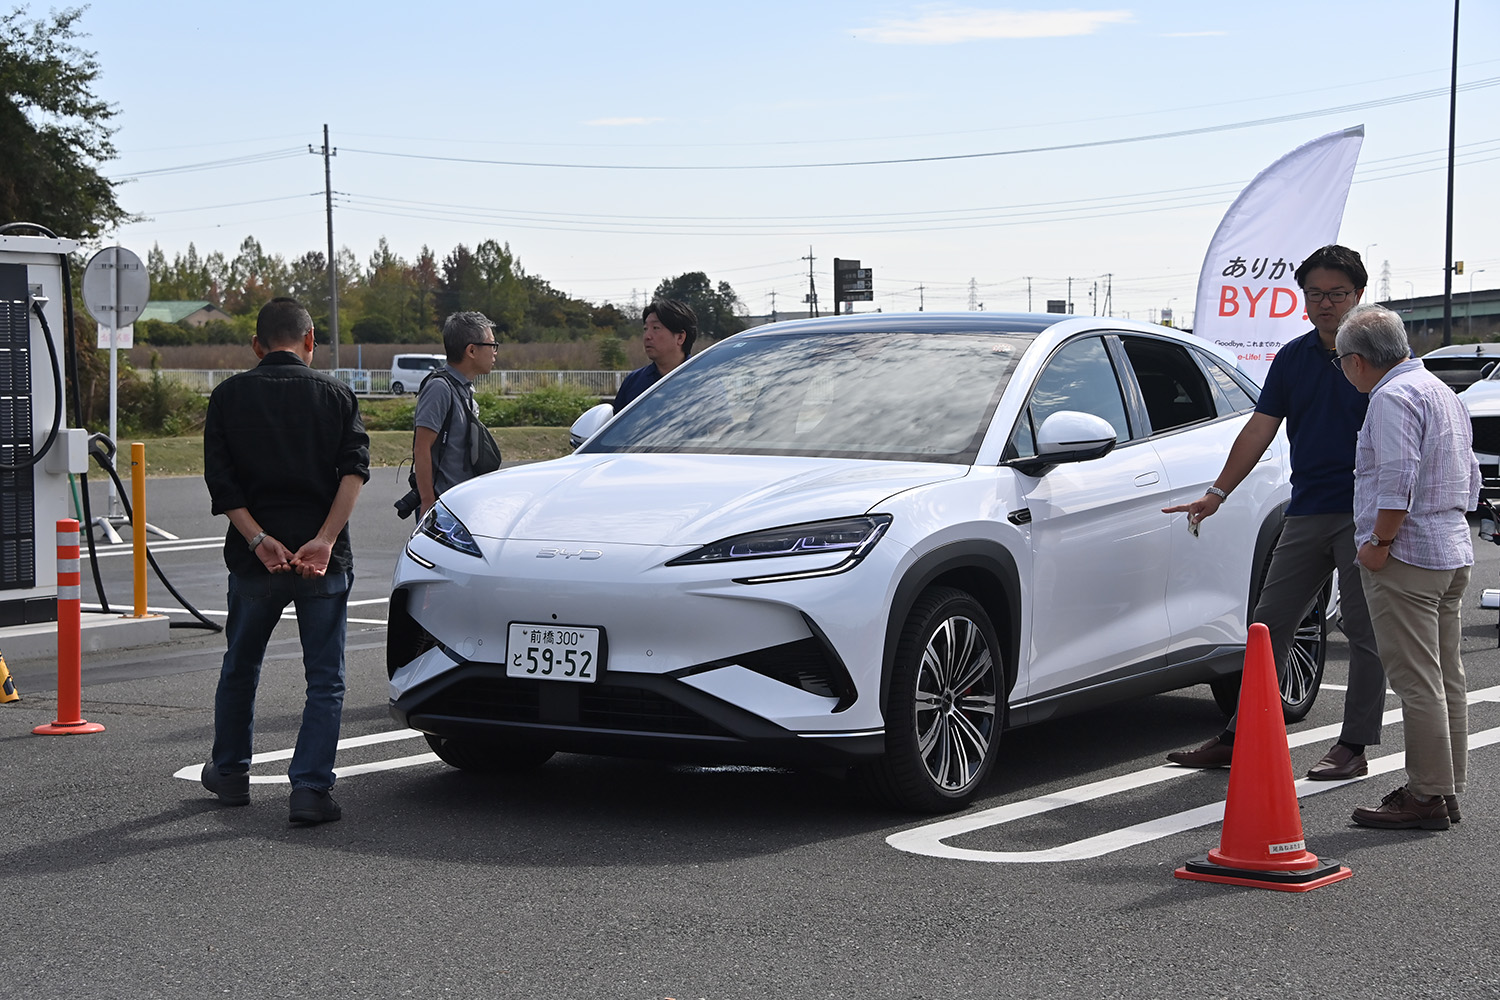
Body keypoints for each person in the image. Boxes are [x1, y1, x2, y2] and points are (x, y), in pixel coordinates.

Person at [1162, 245, 1385, 778]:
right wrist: (1216, 494)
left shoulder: (1381, 357)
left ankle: (1353, 747)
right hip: (1307, 509)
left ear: (1359, 295)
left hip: (1365, 515)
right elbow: (1260, 428)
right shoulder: (1293, 357)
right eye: (1314, 294)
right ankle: (1241, 734)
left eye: (1337, 294)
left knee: (1363, 632)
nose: (1324, 304)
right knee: (1268, 624)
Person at [200, 297, 369, 825]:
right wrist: (322, 539)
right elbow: (354, 471)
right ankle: (310, 789)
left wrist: (257, 540)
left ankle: (229, 773)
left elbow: (221, 482)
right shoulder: (337, 394)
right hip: (323, 562)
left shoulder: (228, 397)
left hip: (256, 564)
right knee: (324, 678)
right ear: (310, 341)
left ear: (256, 345)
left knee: (241, 667)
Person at [1336, 305, 1479, 830]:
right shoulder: (1441, 390)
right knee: (1445, 676)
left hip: (1407, 552)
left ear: (1355, 361)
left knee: (1417, 682)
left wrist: (1379, 539)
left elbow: (1397, 478)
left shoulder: (1391, 397)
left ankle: (1426, 796)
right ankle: (1445, 787)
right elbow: (1470, 474)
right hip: (1449, 545)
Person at [413, 311, 499, 519]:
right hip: (443, 508)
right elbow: (421, 446)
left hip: (462, 504)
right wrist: (427, 501)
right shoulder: (440, 388)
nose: (495, 352)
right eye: (492, 345)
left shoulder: (463, 389)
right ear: (471, 350)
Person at [613, 299, 697, 412]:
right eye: (645, 329)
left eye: (655, 328)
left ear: (680, 337)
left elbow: (720, 427)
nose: (647, 336)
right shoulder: (633, 382)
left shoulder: (702, 380)